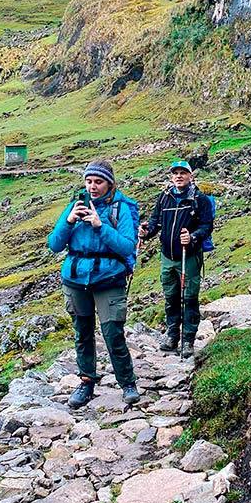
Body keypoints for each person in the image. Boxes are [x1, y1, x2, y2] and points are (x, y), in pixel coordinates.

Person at [48, 160, 141, 409]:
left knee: (113, 333)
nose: (92, 187)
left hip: (109, 279)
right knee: (83, 333)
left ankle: (127, 383)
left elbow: (127, 245)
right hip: (76, 280)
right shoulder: (74, 207)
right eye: (89, 181)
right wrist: (68, 221)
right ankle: (86, 382)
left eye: (98, 182)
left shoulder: (119, 209)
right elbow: (55, 245)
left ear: (109, 183)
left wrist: (101, 226)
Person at [139, 161, 214, 358]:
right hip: (167, 256)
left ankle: (188, 339)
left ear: (191, 176)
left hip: (188, 256)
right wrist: (146, 231)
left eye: (183, 173)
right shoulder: (165, 198)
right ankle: (172, 336)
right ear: (171, 176)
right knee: (171, 297)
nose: (179, 176)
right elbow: (155, 222)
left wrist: (193, 237)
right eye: (175, 173)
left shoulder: (200, 199)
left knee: (189, 298)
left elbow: (207, 226)